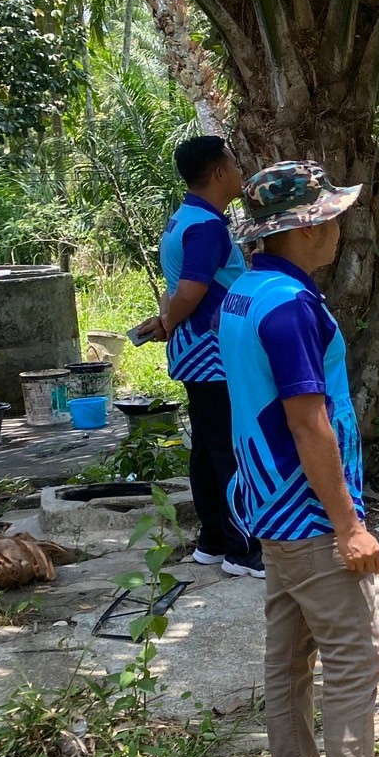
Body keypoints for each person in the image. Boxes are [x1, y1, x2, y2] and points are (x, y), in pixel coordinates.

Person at [218, 161, 379, 757]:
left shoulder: (244, 292)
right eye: (329, 214)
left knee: (288, 656)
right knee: (355, 659)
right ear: (305, 227)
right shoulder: (291, 308)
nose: (338, 225)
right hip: (307, 513)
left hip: (268, 507)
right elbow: (309, 421)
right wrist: (349, 526)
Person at [136, 136, 262, 578]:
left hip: (196, 352)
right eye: (235, 161)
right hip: (214, 354)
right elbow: (190, 292)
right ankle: (242, 549)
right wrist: (170, 319)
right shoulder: (207, 226)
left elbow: (180, 288)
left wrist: (166, 320)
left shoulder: (182, 219)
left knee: (208, 449)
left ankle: (211, 541)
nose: (241, 170)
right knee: (230, 448)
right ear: (219, 172)